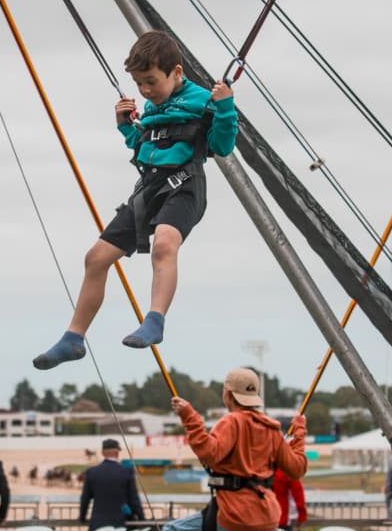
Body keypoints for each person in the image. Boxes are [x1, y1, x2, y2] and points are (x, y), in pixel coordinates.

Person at [33, 30, 238, 369]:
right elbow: (143, 148)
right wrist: (124, 126)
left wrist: (226, 106)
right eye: (139, 83)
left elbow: (221, 146)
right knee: (96, 258)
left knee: (165, 244)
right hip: (149, 189)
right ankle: (73, 338)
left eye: (150, 81)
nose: (145, 91)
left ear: (176, 72)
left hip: (185, 187)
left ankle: (154, 320)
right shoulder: (152, 106)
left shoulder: (203, 100)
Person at [162, 368, 307, 531]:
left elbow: (209, 453)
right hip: (266, 519)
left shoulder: (231, 421)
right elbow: (296, 469)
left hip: (233, 517)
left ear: (227, 394)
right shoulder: (272, 429)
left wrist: (189, 417)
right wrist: (299, 436)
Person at [79, 438, 144, 531]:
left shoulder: (92, 472)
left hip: (99, 522)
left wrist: (82, 517)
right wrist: (142, 518)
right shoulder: (126, 471)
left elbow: (85, 498)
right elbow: (133, 499)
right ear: (117, 452)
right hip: (122, 522)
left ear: (102, 452)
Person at [273, 466, 307, 531]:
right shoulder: (286, 473)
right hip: (282, 521)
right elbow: (298, 496)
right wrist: (301, 516)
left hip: (260, 521)